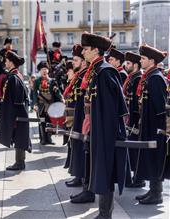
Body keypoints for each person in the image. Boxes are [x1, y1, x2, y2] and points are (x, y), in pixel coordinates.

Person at [80, 32, 128, 219]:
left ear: (95, 50)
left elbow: (111, 109)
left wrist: (103, 134)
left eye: (85, 49)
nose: (83, 52)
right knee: (100, 171)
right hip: (98, 130)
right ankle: (103, 213)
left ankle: (105, 214)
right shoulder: (96, 70)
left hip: (106, 132)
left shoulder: (105, 71)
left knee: (105, 171)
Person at [133, 44, 169, 205]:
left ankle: (157, 193)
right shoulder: (150, 76)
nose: (140, 61)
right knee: (150, 158)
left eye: (143, 58)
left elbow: (161, 108)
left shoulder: (155, 78)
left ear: (152, 61)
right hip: (149, 125)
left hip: (156, 128)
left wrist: (160, 129)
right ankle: (152, 190)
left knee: (155, 159)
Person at [64, 44, 95, 203]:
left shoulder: (85, 75)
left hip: (82, 118)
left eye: (76, 60)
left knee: (82, 150)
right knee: (76, 148)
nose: (73, 63)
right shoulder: (80, 75)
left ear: (83, 62)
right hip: (76, 117)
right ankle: (79, 176)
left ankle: (83, 181)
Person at [0, 50, 31, 171]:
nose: (5, 63)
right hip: (17, 112)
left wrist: (3, 106)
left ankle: (19, 163)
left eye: (6, 61)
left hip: (17, 112)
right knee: (18, 136)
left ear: (11, 62)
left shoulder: (13, 78)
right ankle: (19, 162)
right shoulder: (16, 75)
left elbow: (15, 99)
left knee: (19, 136)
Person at [122, 51, 146, 188]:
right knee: (132, 149)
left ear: (135, 65)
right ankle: (136, 176)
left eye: (129, 63)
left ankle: (139, 178)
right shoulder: (132, 77)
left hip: (135, 120)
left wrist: (135, 122)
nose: (126, 65)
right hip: (130, 118)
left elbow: (137, 103)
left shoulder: (138, 78)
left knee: (136, 150)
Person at [33, 61, 63, 145]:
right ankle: (43, 139)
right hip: (41, 105)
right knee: (42, 122)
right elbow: (34, 93)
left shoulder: (52, 81)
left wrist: (61, 98)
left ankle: (49, 139)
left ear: (48, 70)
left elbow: (57, 91)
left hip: (51, 105)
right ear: (40, 71)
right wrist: (35, 104)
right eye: (42, 69)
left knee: (50, 122)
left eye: (46, 69)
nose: (44, 71)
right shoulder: (37, 81)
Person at [0, 37, 17, 102]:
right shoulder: (1, 53)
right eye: (7, 44)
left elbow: (17, 62)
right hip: (2, 71)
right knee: (0, 79)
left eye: (10, 44)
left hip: (13, 70)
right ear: (5, 45)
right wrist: (7, 71)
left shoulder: (14, 52)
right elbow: (2, 64)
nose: (9, 45)